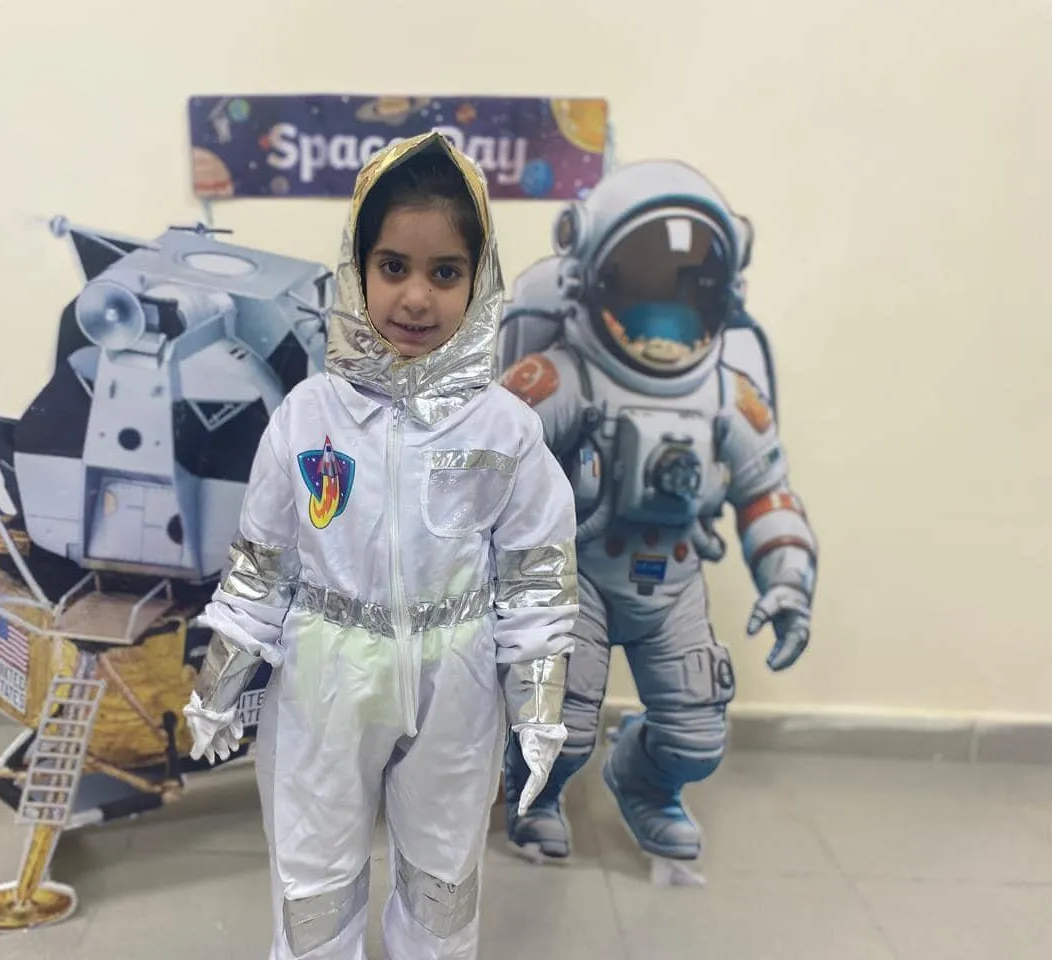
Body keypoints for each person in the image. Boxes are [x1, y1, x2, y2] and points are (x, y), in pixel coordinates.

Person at [182, 130, 580, 959]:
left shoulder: (504, 429)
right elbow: (261, 565)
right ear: (357, 267)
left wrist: (540, 705)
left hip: (456, 680)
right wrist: (219, 682)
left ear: (480, 279)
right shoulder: (309, 417)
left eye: (446, 272)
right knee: (314, 884)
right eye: (393, 266)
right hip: (325, 678)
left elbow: (537, 575)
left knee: (442, 884)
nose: (416, 298)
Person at [495, 159, 818, 868]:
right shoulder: (561, 376)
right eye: (644, 279)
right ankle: (535, 797)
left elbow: (767, 492)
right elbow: (484, 464)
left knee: (695, 737)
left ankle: (645, 784)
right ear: (589, 277)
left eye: (686, 283)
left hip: (672, 583)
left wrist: (788, 581)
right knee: (561, 726)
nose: (664, 312)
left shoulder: (727, 394)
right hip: (575, 573)